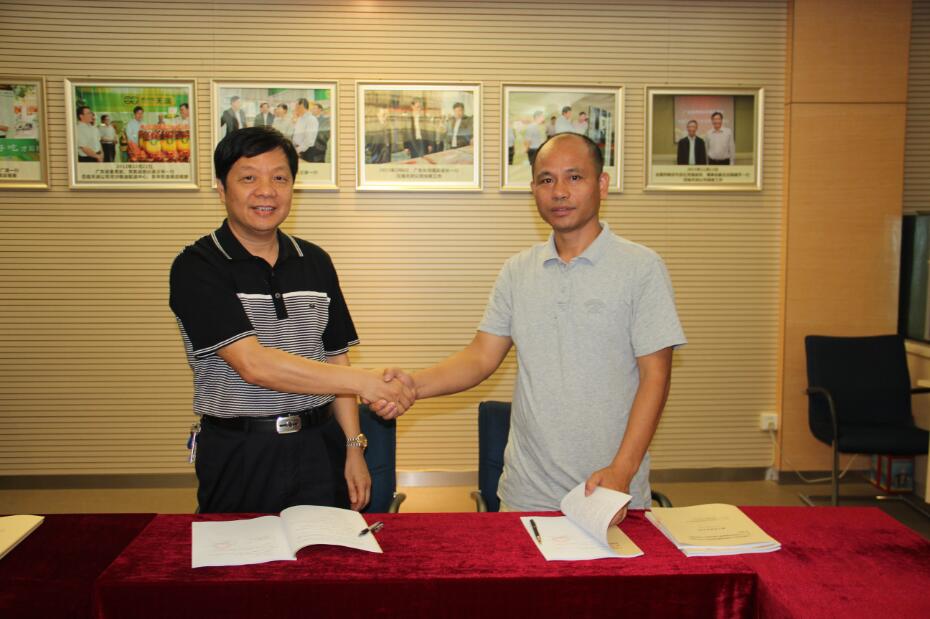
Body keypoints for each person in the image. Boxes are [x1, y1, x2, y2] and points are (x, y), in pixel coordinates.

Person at [373, 133, 686, 524]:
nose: (559, 191)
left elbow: (656, 377)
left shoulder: (641, 268)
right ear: (533, 190)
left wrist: (622, 470)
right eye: (546, 179)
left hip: (611, 492)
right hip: (525, 495)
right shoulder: (517, 271)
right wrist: (412, 386)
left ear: (602, 184)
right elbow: (480, 357)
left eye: (575, 177)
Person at [169, 127, 414, 514]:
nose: (266, 191)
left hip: (320, 444)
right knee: (238, 548)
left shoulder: (315, 261)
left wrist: (353, 447)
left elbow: (335, 358)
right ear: (221, 188)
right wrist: (367, 382)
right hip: (240, 451)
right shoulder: (197, 266)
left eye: (280, 178)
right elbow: (254, 364)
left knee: (326, 547)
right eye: (249, 178)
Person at [291, 97, 319, 163]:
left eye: (296, 105)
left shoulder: (311, 119)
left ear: (301, 105)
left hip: (306, 151)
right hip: (298, 149)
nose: (294, 108)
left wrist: (298, 150)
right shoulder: (300, 118)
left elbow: (309, 140)